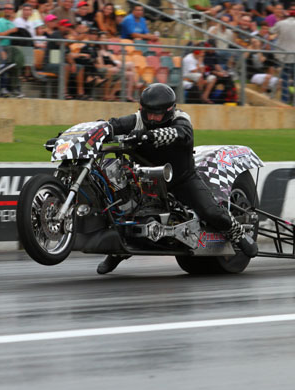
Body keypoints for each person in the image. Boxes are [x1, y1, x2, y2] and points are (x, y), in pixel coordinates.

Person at [96, 83, 258, 274]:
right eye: (148, 113)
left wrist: (148, 136)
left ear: (169, 111)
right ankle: (118, 251)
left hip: (181, 180)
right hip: (145, 181)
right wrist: (98, 129)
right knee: (121, 208)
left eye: (156, 114)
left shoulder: (181, 119)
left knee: (211, 212)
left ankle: (238, 233)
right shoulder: (138, 120)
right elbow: (113, 125)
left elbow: (181, 133)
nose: (151, 118)